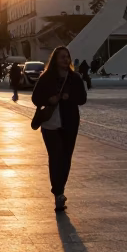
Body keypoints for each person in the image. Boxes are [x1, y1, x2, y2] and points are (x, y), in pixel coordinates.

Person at [31, 45, 87, 211]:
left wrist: (68, 97)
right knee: (55, 157)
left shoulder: (74, 78)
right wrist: (50, 99)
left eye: (67, 56)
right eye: (62, 56)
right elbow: (35, 98)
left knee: (66, 158)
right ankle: (58, 193)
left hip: (69, 123)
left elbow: (82, 99)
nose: (65, 59)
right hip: (50, 124)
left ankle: (59, 189)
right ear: (55, 59)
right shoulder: (47, 77)